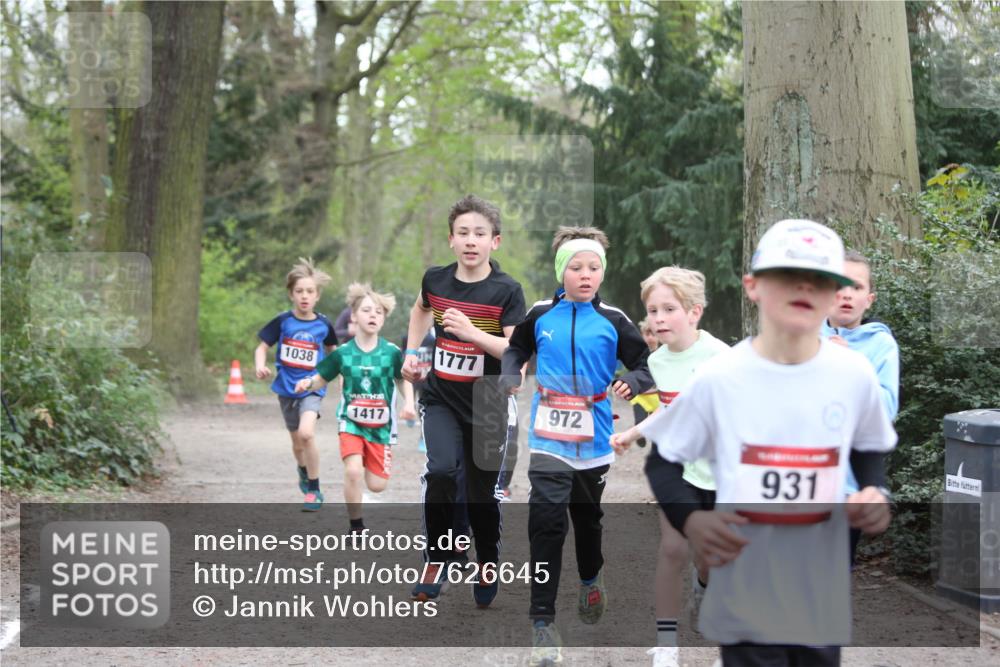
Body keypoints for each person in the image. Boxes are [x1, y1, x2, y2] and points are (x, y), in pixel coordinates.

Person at [613, 219, 896, 667]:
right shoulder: (723, 376)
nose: (803, 288)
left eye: (820, 278)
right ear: (754, 287)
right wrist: (693, 522)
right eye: (786, 277)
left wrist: (873, 490)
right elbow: (664, 463)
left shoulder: (853, 373)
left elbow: (868, 448)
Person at [500, 226, 653, 667]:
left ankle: (590, 575)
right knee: (546, 520)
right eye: (576, 267)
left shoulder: (616, 320)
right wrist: (512, 373)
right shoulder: (540, 313)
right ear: (560, 271)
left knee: (586, 520)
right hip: (548, 434)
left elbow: (645, 364)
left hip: (594, 435)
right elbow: (516, 348)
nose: (586, 274)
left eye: (594, 267)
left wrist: (634, 381)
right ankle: (542, 622)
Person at [401, 194, 526, 608]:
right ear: (451, 240)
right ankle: (436, 558)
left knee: (480, 493)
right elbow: (421, 311)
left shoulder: (506, 290)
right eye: (463, 233)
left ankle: (486, 559)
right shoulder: (435, 280)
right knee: (440, 473)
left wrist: (471, 332)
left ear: (496, 242)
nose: (471, 241)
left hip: (487, 404)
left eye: (480, 233)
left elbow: (513, 351)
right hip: (441, 397)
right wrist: (413, 351)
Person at [613, 267, 730, 667]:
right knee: (673, 548)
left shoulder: (721, 358)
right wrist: (633, 434)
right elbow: (668, 408)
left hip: (719, 474)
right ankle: (666, 643)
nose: (658, 318)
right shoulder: (659, 362)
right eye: (652, 310)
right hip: (678, 467)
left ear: (694, 312)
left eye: (669, 309)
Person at [294, 283, 414, 531]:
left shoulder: (391, 352)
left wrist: (410, 404)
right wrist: (307, 383)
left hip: (381, 427)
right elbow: (322, 377)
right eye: (368, 310)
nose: (373, 315)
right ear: (354, 316)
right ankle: (356, 525)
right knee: (352, 472)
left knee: (377, 485)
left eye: (379, 312)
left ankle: (369, 483)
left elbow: (403, 379)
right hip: (351, 422)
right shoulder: (343, 353)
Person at [822, 249, 900, 563]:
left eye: (855, 287)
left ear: (869, 299)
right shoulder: (801, 335)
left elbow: (886, 412)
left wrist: (854, 368)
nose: (846, 294)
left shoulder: (880, 346)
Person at [254, 257, 338, 511]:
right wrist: (260, 364)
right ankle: (303, 470)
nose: (304, 296)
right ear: (291, 294)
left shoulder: (323, 324)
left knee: (307, 433)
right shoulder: (282, 321)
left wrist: (337, 373)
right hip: (286, 388)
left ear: (317, 296)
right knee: (297, 443)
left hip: (312, 387)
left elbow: (333, 351)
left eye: (310, 291)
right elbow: (262, 347)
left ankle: (314, 488)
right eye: (299, 291)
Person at [629, 318, 661, 449]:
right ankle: (640, 435)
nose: (650, 338)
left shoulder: (663, 355)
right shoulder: (638, 354)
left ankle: (656, 447)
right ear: (642, 335)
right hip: (640, 396)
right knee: (640, 421)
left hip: (656, 396)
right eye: (647, 334)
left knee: (656, 425)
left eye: (653, 334)